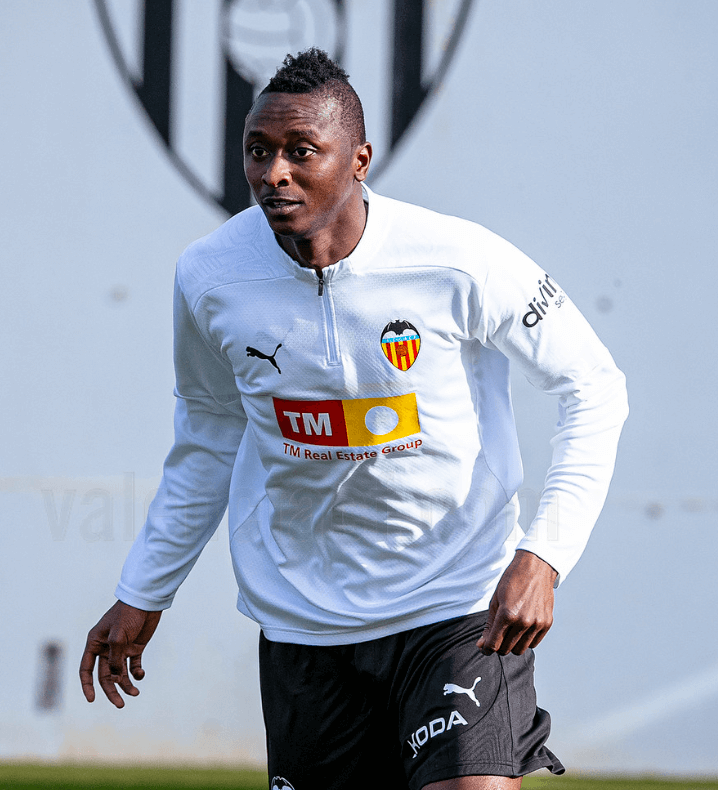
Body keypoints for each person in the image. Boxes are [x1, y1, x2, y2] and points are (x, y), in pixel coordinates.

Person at [80, 48, 628, 790]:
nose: (274, 173)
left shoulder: (457, 260)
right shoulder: (210, 276)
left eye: (302, 152)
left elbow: (593, 386)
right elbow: (209, 434)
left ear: (360, 159)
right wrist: (146, 588)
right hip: (306, 619)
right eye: (258, 151)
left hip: (456, 602)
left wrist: (544, 555)